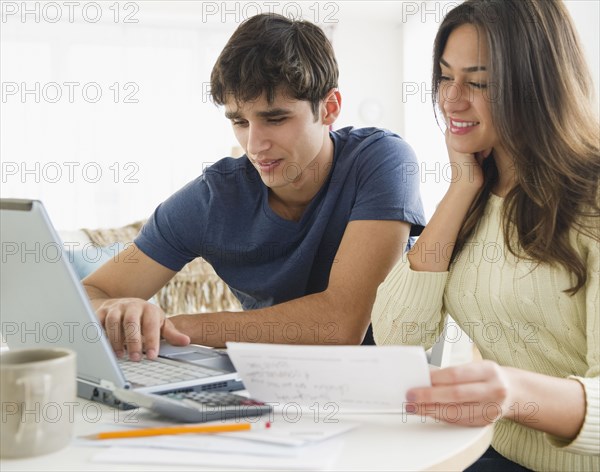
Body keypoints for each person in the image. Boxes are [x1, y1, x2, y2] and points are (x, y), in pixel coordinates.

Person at [83, 13, 425, 360]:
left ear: (329, 108)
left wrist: (171, 327)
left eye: (275, 118)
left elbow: (340, 325)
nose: (254, 144)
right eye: (240, 122)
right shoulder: (212, 200)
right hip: (265, 380)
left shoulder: (382, 160)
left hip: (380, 384)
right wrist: (119, 312)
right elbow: (92, 292)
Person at [371, 0, 599, 470]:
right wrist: (460, 188)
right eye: (444, 76)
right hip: (490, 451)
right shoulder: (477, 189)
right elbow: (397, 339)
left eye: (478, 83)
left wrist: (513, 392)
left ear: (538, 87)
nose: (452, 100)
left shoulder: (590, 199)